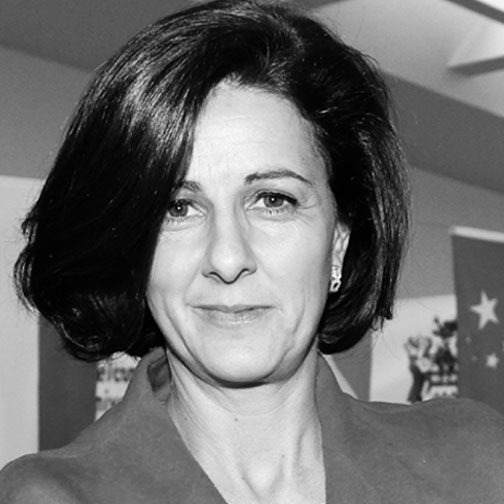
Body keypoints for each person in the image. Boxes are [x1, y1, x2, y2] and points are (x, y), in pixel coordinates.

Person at [1, 0, 503, 502]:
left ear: (339, 240)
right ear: (133, 249)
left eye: (273, 201)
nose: (227, 258)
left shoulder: (475, 462)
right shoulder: (45, 497)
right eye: (178, 208)